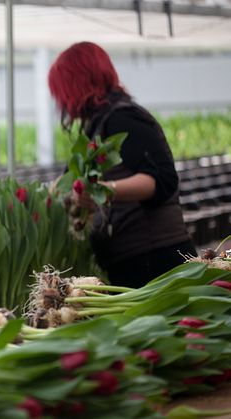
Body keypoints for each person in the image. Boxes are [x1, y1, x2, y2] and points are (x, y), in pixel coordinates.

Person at [48, 41, 197, 288]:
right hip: (133, 259)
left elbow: (160, 180)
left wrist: (101, 191)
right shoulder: (97, 125)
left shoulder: (123, 118)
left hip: (155, 258)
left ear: (74, 84)